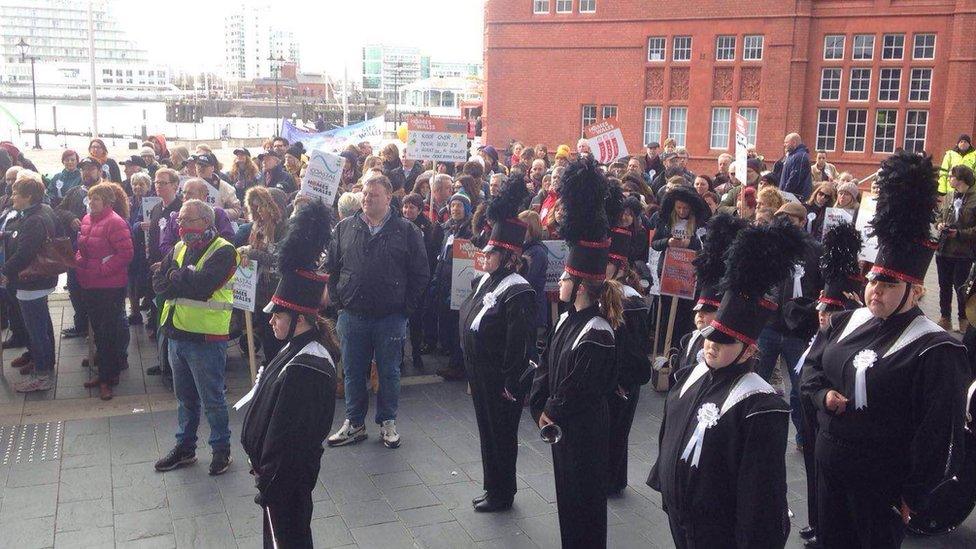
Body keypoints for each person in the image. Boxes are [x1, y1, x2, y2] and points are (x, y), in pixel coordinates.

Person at [801, 152, 971, 549]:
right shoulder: (846, 320)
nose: (875, 289)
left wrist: (914, 495)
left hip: (883, 486)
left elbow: (939, 432)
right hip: (830, 469)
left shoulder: (936, 348)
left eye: (889, 284)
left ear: (914, 291)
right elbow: (812, 369)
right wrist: (822, 395)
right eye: (874, 279)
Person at [649, 219, 799, 549]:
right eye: (711, 338)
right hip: (681, 517)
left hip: (719, 530)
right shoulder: (692, 374)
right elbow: (671, 428)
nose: (712, 345)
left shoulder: (761, 404)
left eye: (724, 342)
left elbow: (761, 491)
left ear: (749, 349)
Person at [530, 158, 622, 549]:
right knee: (567, 498)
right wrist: (539, 405)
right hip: (565, 426)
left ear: (581, 284)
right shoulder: (569, 319)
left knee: (585, 501)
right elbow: (550, 363)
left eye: (566, 277)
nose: (561, 281)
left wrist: (552, 408)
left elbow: (578, 383)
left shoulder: (598, 330)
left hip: (583, 428)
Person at [240, 200, 337, 548]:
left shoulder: (307, 367)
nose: (271, 320)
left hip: (284, 483)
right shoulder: (291, 348)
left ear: (301, 318)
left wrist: (270, 481)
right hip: (274, 479)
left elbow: (292, 441)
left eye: (278, 315)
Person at [326, 175, 429, 449]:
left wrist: (406, 309)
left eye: (373, 194)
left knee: (389, 372)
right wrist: (339, 304)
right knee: (352, 371)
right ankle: (354, 423)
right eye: (364, 193)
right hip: (352, 315)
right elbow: (332, 269)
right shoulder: (344, 228)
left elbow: (420, 274)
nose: (366, 198)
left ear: (388, 198)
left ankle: (387, 422)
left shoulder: (406, 231)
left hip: (391, 317)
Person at [460, 174, 536, 512]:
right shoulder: (487, 280)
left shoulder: (518, 289)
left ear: (506, 256)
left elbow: (519, 342)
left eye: (492, 253)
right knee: (487, 433)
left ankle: (503, 493)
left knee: (502, 436)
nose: (485, 256)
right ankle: (493, 487)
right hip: (481, 372)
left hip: (500, 377)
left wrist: (510, 381)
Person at [153, 199, 239, 476]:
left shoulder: (224, 251)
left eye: (186, 221)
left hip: (206, 337)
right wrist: (181, 277)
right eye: (179, 221)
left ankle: (221, 450)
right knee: (185, 399)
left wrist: (176, 278)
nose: (180, 226)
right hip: (176, 333)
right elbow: (158, 283)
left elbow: (204, 287)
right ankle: (185, 448)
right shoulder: (179, 247)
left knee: (212, 399)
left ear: (205, 222)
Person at [794, 221, 864, 548]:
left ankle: (826, 526)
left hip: (833, 425)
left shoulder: (846, 341)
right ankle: (815, 520)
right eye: (822, 309)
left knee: (827, 480)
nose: (822, 315)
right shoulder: (820, 334)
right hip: (811, 420)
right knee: (812, 472)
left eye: (830, 311)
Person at [605, 200, 651, 495]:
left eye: (607, 263)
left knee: (617, 431)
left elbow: (634, 348)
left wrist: (621, 380)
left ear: (620, 267)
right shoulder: (607, 293)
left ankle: (613, 481)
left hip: (623, 378)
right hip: (609, 376)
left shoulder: (630, 300)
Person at [76, 182, 134, 400]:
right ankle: (105, 373)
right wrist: (80, 261)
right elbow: (81, 247)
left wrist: (101, 269)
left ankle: (107, 378)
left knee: (108, 333)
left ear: (108, 202)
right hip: (90, 283)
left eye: (96, 199)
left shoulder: (115, 222)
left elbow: (126, 254)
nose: (92, 203)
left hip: (109, 286)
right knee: (99, 332)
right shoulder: (87, 219)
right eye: (90, 199)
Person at [3, 171, 60, 393]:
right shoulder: (44, 211)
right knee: (43, 324)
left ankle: (42, 375)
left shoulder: (33, 219)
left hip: (31, 282)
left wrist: (5, 271)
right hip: (42, 280)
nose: (12, 197)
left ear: (28, 197)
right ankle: (46, 362)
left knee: (35, 330)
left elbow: (25, 253)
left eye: (16, 193)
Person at [677, 214, 748, 373]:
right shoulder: (689, 339)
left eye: (708, 310)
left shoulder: (724, 348)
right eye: (699, 310)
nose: (700, 315)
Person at [651, 186, 709, 349]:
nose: (682, 211)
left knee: (685, 315)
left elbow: (706, 245)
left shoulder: (699, 224)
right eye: (678, 207)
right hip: (668, 272)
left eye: (685, 208)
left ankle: (682, 347)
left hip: (689, 277)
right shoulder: (666, 221)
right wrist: (668, 242)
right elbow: (655, 243)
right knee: (666, 313)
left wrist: (689, 243)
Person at [239, 186, 289, 364]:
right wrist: (246, 252)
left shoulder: (285, 228)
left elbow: (280, 260)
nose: (259, 210)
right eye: (255, 207)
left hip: (278, 290)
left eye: (262, 206)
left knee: (277, 338)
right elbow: (254, 250)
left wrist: (252, 254)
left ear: (273, 206)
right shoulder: (258, 226)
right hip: (261, 289)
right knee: (265, 333)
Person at [144, 168, 183, 375]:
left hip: (172, 271)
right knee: (160, 316)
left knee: (170, 319)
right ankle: (162, 360)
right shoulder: (157, 208)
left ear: (175, 185)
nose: (158, 186)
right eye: (156, 182)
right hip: (156, 270)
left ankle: (170, 365)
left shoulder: (182, 209)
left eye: (163, 183)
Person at [431, 193, 473, 381]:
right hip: (444, 282)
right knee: (447, 323)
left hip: (460, 285)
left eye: (460, 206)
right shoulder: (448, 229)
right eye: (453, 205)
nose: (455, 209)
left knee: (458, 326)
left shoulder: (470, 231)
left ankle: (458, 365)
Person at [935, 164, 976, 331]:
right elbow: (938, 216)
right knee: (944, 285)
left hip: (963, 252)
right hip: (943, 250)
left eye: (952, 176)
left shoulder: (974, 198)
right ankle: (945, 318)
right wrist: (939, 225)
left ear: (961, 179)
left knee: (961, 287)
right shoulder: (950, 196)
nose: (949, 179)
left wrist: (959, 233)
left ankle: (963, 319)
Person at [401, 193, 433, 371]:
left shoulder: (427, 227)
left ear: (419, 209)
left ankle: (416, 354)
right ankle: (399, 355)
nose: (407, 210)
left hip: (418, 279)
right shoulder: (397, 224)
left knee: (416, 320)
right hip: (401, 279)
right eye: (405, 206)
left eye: (412, 207)